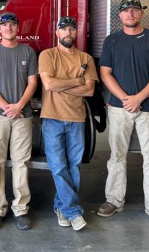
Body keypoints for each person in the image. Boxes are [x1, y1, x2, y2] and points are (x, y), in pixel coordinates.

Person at [97, 0, 149, 227]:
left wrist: (138, 98)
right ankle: (114, 200)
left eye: (135, 10)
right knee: (117, 156)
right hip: (120, 109)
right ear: (119, 16)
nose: (130, 14)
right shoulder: (112, 41)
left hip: (148, 108)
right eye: (126, 11)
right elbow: (105, 73)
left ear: (141, 14)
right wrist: (125, 98)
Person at [38, 16, 98, 231]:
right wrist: (77, 81)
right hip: (52, 118)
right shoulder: (48, 55)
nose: (68, 33)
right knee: (58, 166)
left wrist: (61, 85)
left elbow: (89, 90)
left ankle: (61, 207)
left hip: (76, 119)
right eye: (64, 29)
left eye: (72, 29)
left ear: (76, 33)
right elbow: (48, 83)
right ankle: (73, 211)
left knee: (73, 166)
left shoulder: (86, 58)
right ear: (57, 33)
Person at [0, 12, 38, 230]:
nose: (9, 28)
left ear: (18, 28)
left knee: (21, 162)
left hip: (22, 115)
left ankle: (21, 210)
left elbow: (32, 83)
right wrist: (8, 108)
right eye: (5, 25)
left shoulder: (28, 51)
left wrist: (19, 106)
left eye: (13, 24)